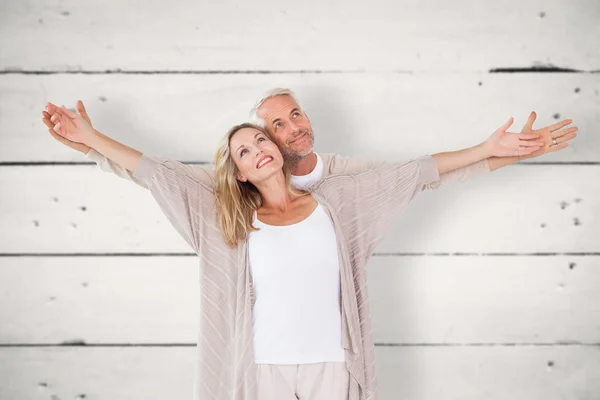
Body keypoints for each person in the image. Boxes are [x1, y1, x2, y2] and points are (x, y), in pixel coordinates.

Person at [43, 101, 577, 400]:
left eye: (262, 141)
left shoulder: (340, 200)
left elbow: (416, 173)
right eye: (244, 151)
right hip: (261, 372)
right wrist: (92, 137)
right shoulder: (224, 217)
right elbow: (155, 173)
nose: (257, 151)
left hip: (332, 367)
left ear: (279, 149)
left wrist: (488, 149)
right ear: (240, 170)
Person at [42, 88, 577, 193]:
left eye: (295, 114)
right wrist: (93, 146)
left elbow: (427, 176)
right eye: (277, 124)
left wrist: (501, 152)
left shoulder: (347, 174)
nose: (293, 126)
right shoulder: (238, 189)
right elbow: (158, 177)